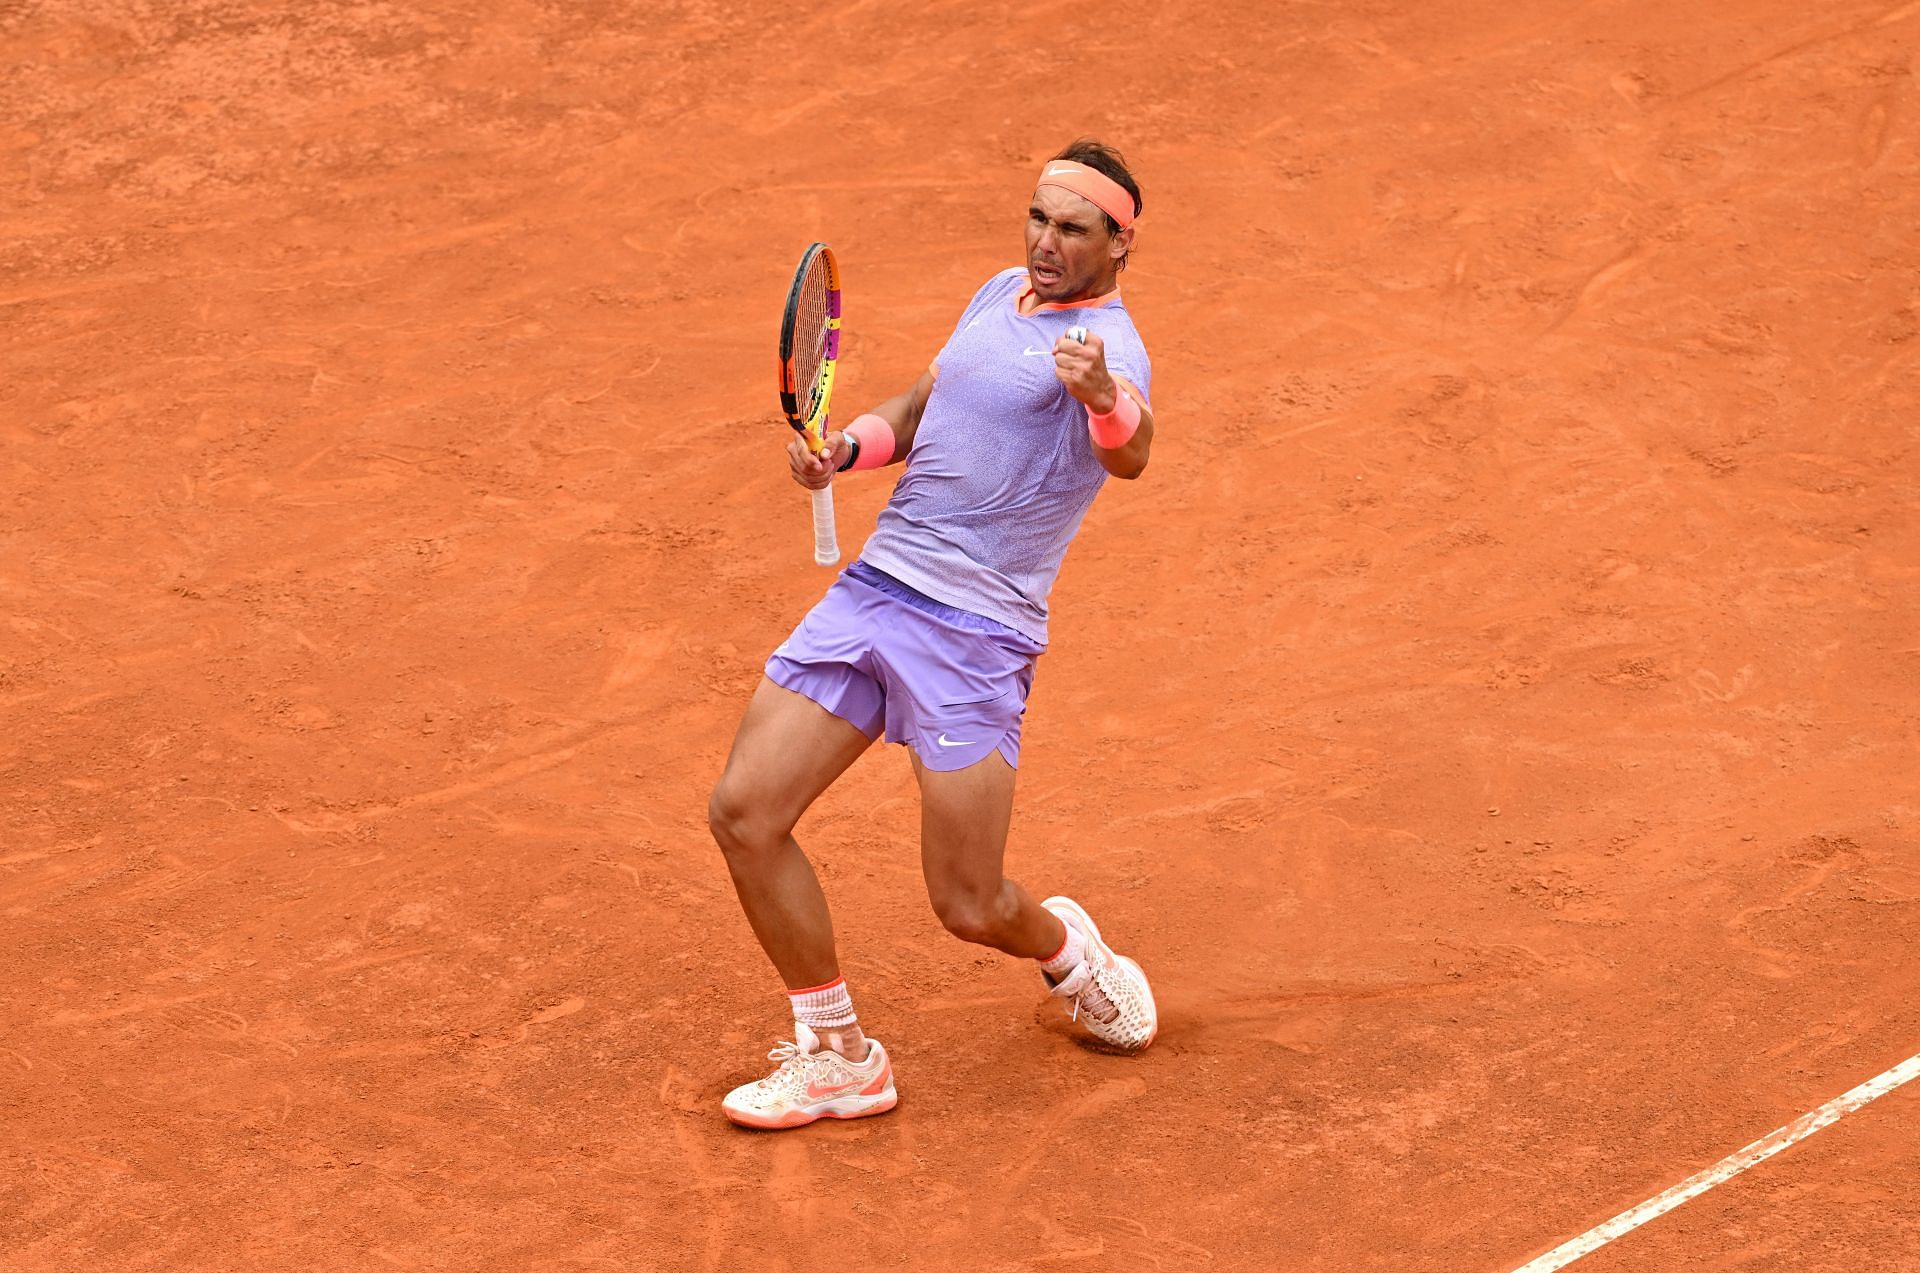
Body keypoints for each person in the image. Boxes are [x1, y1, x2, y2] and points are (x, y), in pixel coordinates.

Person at [708, 139, 1159, 1130]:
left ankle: (1068, 956)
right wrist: (848, 448)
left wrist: (1099, 400)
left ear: (1120, 245)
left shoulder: (1111, 351)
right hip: (877, 591)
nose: (1045, 243)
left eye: (1072, 229)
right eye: (1038, 217)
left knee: (968, 904)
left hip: (976, 635)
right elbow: (923, 406)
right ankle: (838, 1055)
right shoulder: (1001, 291)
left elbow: (1129, 451)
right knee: (744, 811)